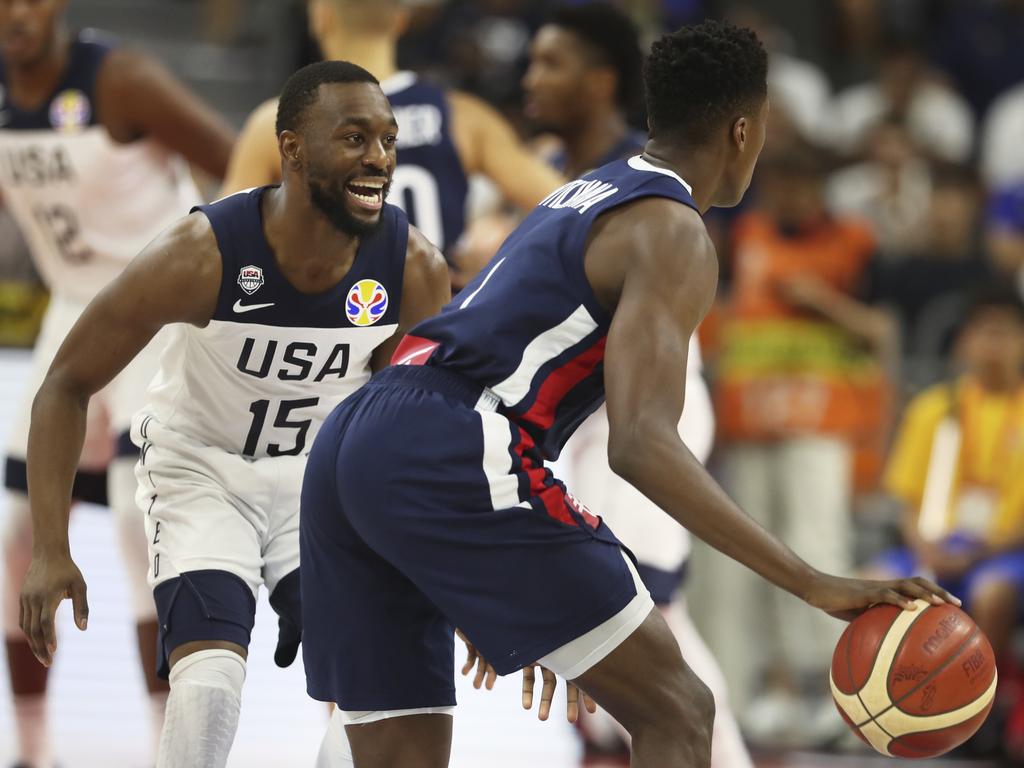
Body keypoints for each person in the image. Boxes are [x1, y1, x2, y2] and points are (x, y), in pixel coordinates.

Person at [300, 21, 957, 768]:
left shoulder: (581, 193)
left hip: (360, 434)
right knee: (680, 709)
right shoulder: (675, 230)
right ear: (746, 130)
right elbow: (641, 443)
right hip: (453, 440)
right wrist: (812, 581)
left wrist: (480, 565)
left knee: (397, 747)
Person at [17, 60, 450, 768]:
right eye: (353, 138)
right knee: (209, 686)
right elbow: (65, 382)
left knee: (382, 685)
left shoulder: (412, 268)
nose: (378, 157)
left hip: (320, 485)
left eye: (387, 139)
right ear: (292, 150)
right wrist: (51, 548)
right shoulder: (204, 254)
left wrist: (434, 556)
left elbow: (414, 425)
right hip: (203, 471)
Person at [0, 1, 235, 765]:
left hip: (155, 312)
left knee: (143, 529)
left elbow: (241, 161)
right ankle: (34, 750)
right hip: (72, 309)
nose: (15, 13)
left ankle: (166, 747)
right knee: (14, 536)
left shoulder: (119, 79)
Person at [522, 6, 751, 766]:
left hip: (649, 410)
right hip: (572, 425)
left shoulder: (650, 176)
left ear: (601, 80)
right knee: (593, 639)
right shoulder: (546, 175)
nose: (531, 77)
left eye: (550, 63)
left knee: (646, 628)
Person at [222, 0, 563, 262]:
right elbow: (568, 203)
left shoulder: (279, 121)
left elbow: (222, 240)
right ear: (399, 21)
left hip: (335, 329)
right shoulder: (463, 115)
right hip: (436, 333)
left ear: (322, 17)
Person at [878, 286, 1024, 760]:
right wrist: (924, 548)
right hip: (939, 544)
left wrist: (976, 553)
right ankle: (883, 705)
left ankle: (980, 707)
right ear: (963, 343)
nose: (993, 344)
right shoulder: (934, 409)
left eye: (1005, 333)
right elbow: (906, 502)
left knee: (993, 593)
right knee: (879, 582)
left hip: (1005, 551)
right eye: (983, 332)